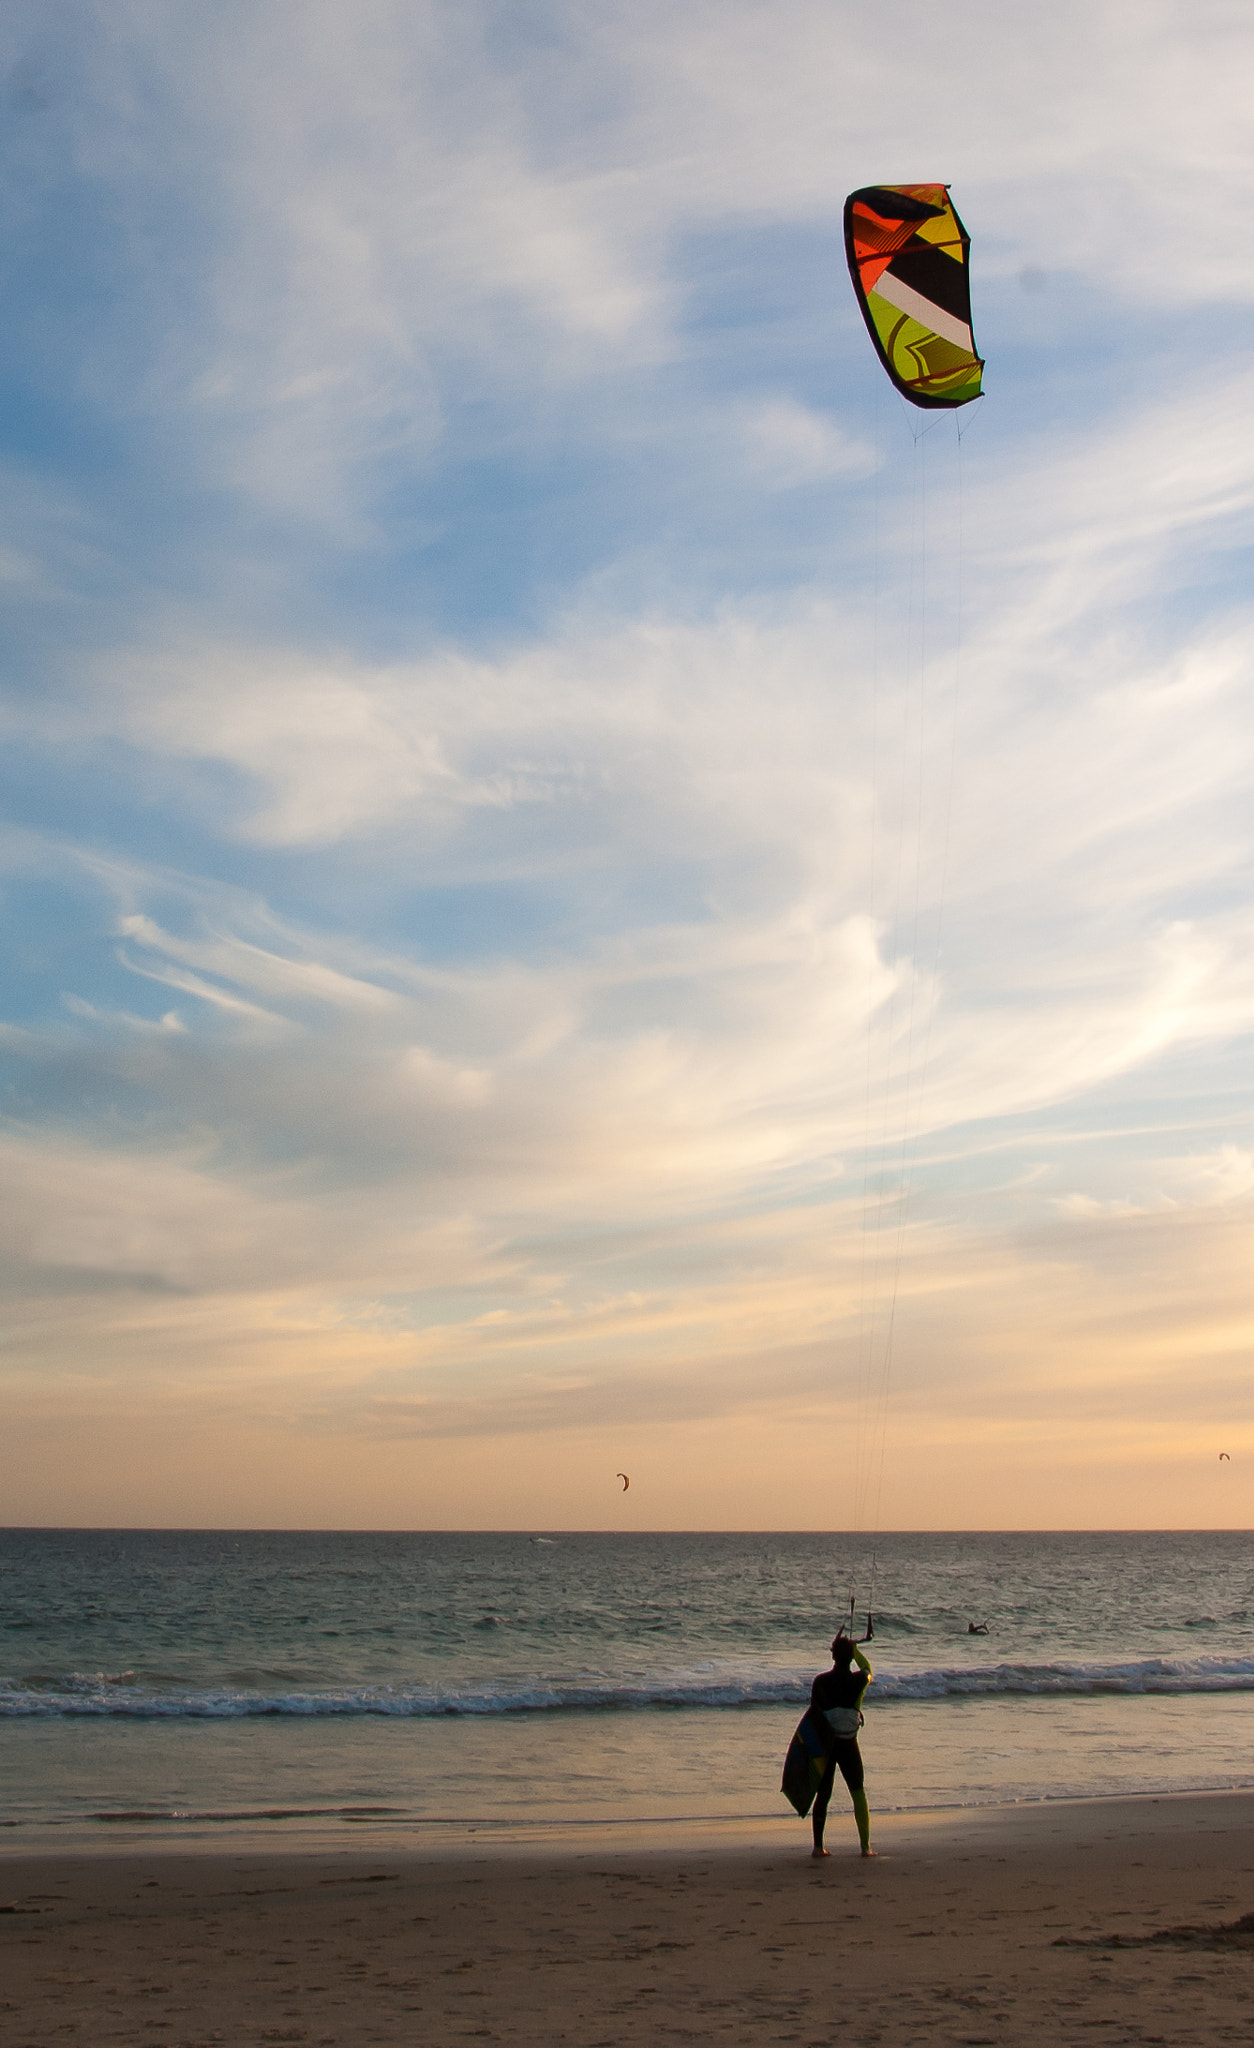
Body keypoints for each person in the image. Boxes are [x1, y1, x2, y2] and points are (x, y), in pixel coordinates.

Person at [808, 1634, 874, 1859]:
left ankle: (818, 1847)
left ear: (833, 1655)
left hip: (826, 1745)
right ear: (850, 1657)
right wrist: (856, 1651)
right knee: (858, 1792)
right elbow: (868, 1668)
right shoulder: (859, 1681)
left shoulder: (820, 1682)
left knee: (823, 1794)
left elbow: (814, 1715)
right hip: (848, 1743)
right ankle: (865, 1848)